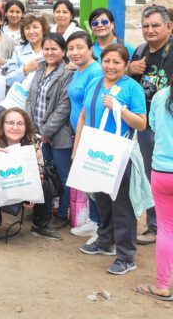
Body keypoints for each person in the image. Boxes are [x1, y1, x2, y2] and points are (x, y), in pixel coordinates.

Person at [75, 44, 147, 276]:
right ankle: (105, 241)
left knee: (122, 206)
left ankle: (126, 256)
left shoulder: (132, 88)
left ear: (126, 65)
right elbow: (84, 115)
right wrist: (77, 149)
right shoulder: (95, 83)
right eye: (107, 61)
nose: (111, 66)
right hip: (95, 153)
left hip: (119, 155)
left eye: (117, 62)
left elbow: (142, 124)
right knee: (102, 200)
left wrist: (120, 109)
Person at [0, 107, 61, 239]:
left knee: (45, 184)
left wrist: (31, 194)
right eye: (10, 123)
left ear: (26, 126)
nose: (15, 128)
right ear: (2, 125)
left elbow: (39, 172)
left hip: (17, 185)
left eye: (20, 123)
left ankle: (41, 225)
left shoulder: (32, 143)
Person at [129, 4, 173, 245]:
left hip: (169, 127)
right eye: (146, 26)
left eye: (156, 25)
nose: (150, 30)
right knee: (153, 176)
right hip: (146, 125)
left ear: (169, 26)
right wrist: (129, 69)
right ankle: (156, 226)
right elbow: (124, 83)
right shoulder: (140, 51)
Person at [25, 33, 74, 228]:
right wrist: (32, 127)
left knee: (62, 176)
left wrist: (46, 131)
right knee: (43, 174)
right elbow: (30, 97)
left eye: (54, 49)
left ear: (63, 51)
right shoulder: (40, 68)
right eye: (46, 49)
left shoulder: (67, 73)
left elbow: (64, 106)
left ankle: (62, 214)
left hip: (58, 135)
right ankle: (44, 211)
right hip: (38, 134)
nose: (50, 52)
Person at [66, 30, 104, 238]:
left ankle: (102, 227)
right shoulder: (79, 70)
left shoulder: (95, 71)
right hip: (79, 132)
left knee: (96, 181)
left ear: (91, 49)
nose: (75, 52)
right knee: (88, 181)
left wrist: (80, 140)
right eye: (71, 48)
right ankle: (95, 220)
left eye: (80, 47)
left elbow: (88, 108)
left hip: (91, 134)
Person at [139, 79, 173, 299]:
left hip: (162, 172)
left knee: (166, 230)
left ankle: (162, 285)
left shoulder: (161, 96)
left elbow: (151, 125)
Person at [6, 14, 49, 86]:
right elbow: (9, 80)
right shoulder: (17, 51)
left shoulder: (51, 49)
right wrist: (26, 69)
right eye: (27, 28)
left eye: (35, 27)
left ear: (43, 29)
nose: (31, 32)